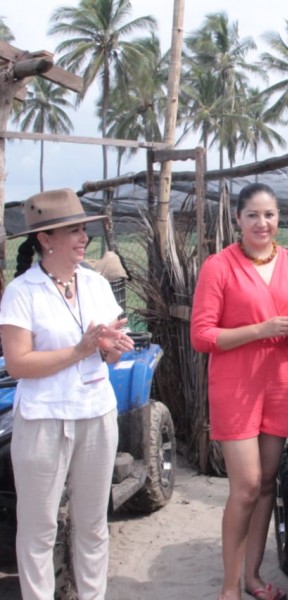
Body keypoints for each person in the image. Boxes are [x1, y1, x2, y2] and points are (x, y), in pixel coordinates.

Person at [0, 188, 134, 599]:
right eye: (73, 231)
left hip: (95, 414)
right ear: (46, 239)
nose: (83, 238)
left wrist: (112, 346)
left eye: (83, 231)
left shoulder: (95, 284)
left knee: (93, 523)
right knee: (40, 527)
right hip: (42, 421)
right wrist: (80, 349)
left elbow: (110, 356)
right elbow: (19, 363)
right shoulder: (22, 292)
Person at [190, 182, 288, 600]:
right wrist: (261, 330)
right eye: (252, 215)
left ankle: (253, 578)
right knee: (244, 486)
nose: (262, 223)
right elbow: (202, 335)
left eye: (269, 215)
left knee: (266, 485)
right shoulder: (219, 266)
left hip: (281, 381)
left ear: (279, 218)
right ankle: (229, 588)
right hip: (236, 385)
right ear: (238, 220)